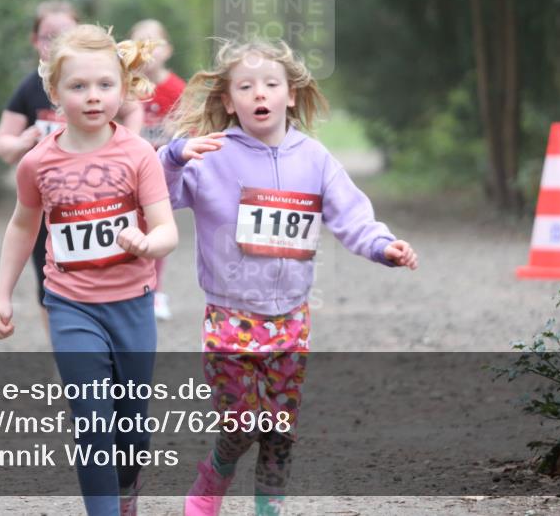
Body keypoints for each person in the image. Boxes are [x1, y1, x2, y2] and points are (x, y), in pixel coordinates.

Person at [157, 39, 419, 516]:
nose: (260, 93)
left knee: (280, 431)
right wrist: (173, 157)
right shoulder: (210, 155)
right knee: (240, 425)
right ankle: (214, 475)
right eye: (246, 86)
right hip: (230, 317)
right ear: (227, 101)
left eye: (271, 84)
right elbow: (159, 195)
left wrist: (383, 246)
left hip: (291, 320)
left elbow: (352, 216)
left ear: (290, 94)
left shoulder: (315, 159)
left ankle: (268, 508)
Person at [0, 24, 178, 516]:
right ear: (54, 93)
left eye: (104, 84)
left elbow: (167, 230)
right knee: (92, 423)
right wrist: (3, 295)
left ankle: (127, 486)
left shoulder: (138, 153)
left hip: (132, 304)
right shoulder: (37, 163)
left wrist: (147, 242)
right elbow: (22, 225)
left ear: (123, 88)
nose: (93, 96)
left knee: (132, 429)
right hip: (71, 306)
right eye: (78, 86)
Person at [0, 1, 145, 330]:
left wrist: (128, 148)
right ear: (35, 41)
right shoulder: (30, 88)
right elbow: (2, 142)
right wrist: (20, 144)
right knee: (50, 285)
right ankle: (66, 351)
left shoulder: (98, 81)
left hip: (103, 195)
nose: (55, 42)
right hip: (51, 202)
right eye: (48, 36)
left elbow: (132, 107)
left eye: (65, 33)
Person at [129, 19, 187, 320]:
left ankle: (154, 291)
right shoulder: (124, 87)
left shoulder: (177, 89)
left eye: (155, 43)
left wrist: (176, 132)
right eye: (141, 44)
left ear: (168, 49)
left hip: (161, 173)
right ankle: (127, 289)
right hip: (128, 171)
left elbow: (190, 129)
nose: (148, 51)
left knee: (157, 229)